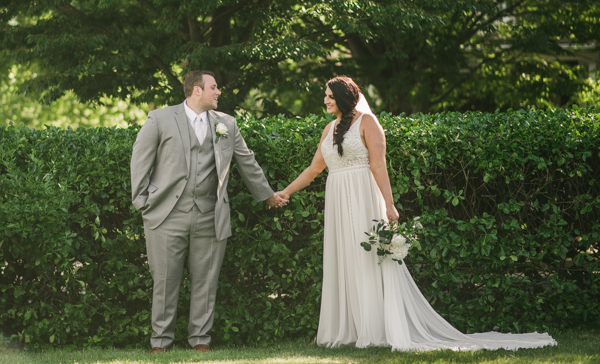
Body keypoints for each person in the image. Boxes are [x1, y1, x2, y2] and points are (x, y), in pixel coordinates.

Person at [277, 76, 556, 351]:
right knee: (344, 258)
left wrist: (389, 204)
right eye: (325, 95)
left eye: (329, 95)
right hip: (337, 198)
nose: (325, 100)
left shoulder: (368, 123)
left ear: (344, 96)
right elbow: (314, 169)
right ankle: (347, 328)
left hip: (364, 197)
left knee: (367, 259)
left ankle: (374, 328)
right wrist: (286, 192)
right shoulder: (329, 129)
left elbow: (378, 165)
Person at [131, 70, 286, 353]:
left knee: (206, 280)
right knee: (165, 280)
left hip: (210, 213)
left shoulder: (227, 123)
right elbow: (140, 160)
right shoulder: (160, 118)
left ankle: (200, 340)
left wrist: (267, 195)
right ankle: (160, 342)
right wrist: (142, 202)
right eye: (214, 87)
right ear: (196, 90)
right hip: (166, 214)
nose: (218, 92)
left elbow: (246, 161)